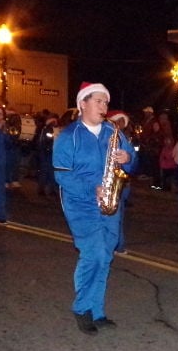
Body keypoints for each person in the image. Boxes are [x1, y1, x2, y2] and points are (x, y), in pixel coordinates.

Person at [53, 82, 135, 333]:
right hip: (81, 205)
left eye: (105, 103)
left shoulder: (114, 133)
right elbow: (61, 175)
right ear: (82, 104)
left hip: (110, 203)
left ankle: (97, 310)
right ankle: (82, 308)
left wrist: (128, 158)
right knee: (95, 254)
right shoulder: (69, 136)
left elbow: (132, 159)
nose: (104, 107)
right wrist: (92, 189)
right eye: (98, 102)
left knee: (105, 257)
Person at [107, 111, 138, 254]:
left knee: (118, 214)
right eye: (117, 121)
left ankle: (118, 245)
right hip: (105, 181)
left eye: (122, 122)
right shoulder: (105, 133)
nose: (120, 125)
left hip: (119, 181)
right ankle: (112, 245)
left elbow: (133, 160)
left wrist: (129, 158)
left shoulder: (122, 137)